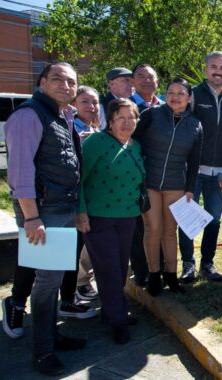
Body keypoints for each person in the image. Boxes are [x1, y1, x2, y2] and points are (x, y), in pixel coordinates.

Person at [3, 62, 87, 376]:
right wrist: (31, 217)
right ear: (42, 82)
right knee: (46, 283)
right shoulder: (29, 115)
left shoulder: (61, 115)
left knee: (51, 283)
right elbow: (20, 172)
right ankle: (42, 351)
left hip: (61, 210)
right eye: (57, 79)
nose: (65, 85)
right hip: (43, 214)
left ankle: (52, 336)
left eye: (71, 81)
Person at [77, 98, 143, 344]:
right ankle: (118, 319)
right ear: (111, 120)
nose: (127, 123)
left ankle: (111, 310)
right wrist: (80, 211)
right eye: (121, 118)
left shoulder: (134, 146)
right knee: (108, 270)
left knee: (120, 267)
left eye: (132, 118)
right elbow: (78, 179)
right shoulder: (96, 142)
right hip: (98, 217)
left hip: (127, 216)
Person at [132, 77, 203, 296]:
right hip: (149, 183)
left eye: (181, 93)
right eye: (171, 92)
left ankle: (171, 275)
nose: (175, 97)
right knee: (153, 230)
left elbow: (194, 161)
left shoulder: (195, 125)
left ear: (189, 97)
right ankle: (154, 275)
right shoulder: (151, 115)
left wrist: (190, 188)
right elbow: (132, 143)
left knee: (169, 232)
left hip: (176, 185)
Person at [178, 51, 222, 283]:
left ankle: (207, 264)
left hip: (219, 172)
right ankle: (188, 265)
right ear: (205, 70)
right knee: (188, 220)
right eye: (213, 66)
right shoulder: (192, 95)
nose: (218, 71)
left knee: (214, 218)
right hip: (193, 171)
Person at [129, 63, 164, 287]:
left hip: (160, 175)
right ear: (132, 82)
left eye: (150, 77)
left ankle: (158, 268)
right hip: (134, 174)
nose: (146, 80)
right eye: (141, 77)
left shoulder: (163, 106)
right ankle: (141, 270)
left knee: (159, 225)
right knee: (139, 226)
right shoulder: (126, 106)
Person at [72, 85, 101, 301]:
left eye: (94, 102)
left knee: (89, 243)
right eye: (85, 102)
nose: (91, 107)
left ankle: (81, 282)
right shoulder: (71, 128)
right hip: (74, 196)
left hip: (95, 197)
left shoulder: (96, 130)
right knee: (77, 243)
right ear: (74, 104)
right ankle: (76, 284)